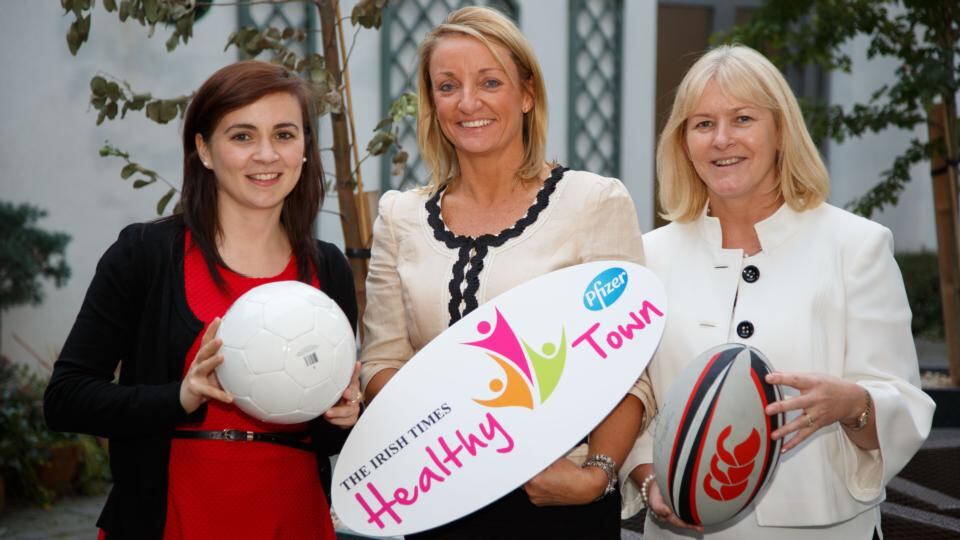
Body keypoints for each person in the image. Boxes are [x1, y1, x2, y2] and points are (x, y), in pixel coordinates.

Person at [359, 6, 653, 539]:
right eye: (448, 86)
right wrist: (452, 435)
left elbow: (631, 369)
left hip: (557, 501)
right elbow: (380, 362)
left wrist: (594, 478)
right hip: (437, 499)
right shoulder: (399, 217)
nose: (468, 102)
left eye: (489, 81)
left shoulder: (593, 202)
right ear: (433, 104)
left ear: (526, 94)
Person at [622, 45, 935, 539]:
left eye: (742, 118)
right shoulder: (646, 258)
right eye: (702, 124)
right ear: (682, 142)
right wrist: (646, 479)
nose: (722, 139)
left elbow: (903, 404)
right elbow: (632, 402)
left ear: (781, 133)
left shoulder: (856, 246)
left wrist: (851, 403)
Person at [44, 60, 362, 540]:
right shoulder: (146, 256)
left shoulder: (328, 268)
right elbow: (65, 399)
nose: (265, 154)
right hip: (173, 520)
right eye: (241, 136)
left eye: (284, 134)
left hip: (293, 520)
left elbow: (324, 436)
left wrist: (344, 416)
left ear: (303, 150)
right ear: (204, 150)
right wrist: (179, 397)